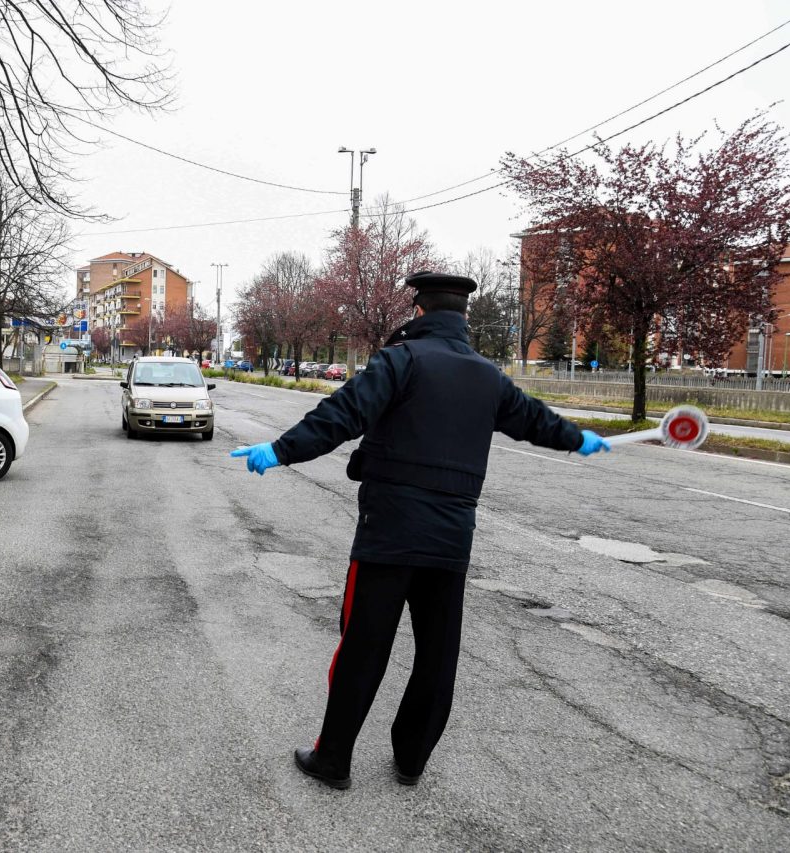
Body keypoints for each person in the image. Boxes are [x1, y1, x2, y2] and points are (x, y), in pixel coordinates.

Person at [230, 270, 610, 791]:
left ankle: (333, 759)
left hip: (388, 534)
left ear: (420, 312)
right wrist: (577, 439)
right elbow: (535, 421)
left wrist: (279, 451)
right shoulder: (488, 378)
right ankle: (411, 761)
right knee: (437, 654)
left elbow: (342, 414)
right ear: (464, 319)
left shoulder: (401, 360)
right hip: (452, 539)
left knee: (363, 646)